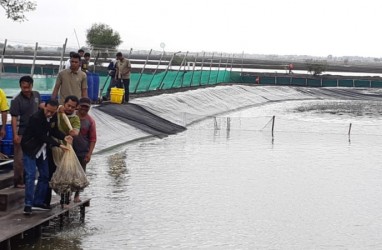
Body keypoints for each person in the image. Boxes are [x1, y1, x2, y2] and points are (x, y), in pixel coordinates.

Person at [21, 99, 71, 215]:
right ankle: (28, 204)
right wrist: (59, 144)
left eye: (52, 112)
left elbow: (53, 130)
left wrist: (64, 137)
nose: (49, 114)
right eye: (48, 111)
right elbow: (42, 136)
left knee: (45, 175)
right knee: (31, 175)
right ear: (44, 107)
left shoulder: (53, 117)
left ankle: (38, 202)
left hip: (42, 149)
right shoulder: (36, 118)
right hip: (31, 148)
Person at [45, 95, 80, 207]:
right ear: (64, 104)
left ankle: (65, 200)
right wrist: (59, 110)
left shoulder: (75, 119)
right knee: (50, 174)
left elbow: (75, 131)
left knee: (66, 175)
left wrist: (73, 132)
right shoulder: (56, 113)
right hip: (53, 148)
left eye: (73, 107)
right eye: (68, 105)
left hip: (66, 151)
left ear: (76, 108)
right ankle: (46, 201)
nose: (70, 108)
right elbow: (44, 108)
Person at [10, 75, 41, 188]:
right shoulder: (16, 99)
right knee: (19, 158)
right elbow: (14, 118)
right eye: (24, 88)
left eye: (28, 87)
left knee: (32, 157)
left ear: (32, 86)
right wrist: (15, 135)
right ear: (20, 87)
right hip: (21, 131)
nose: (26, 90)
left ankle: (29, 178)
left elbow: (39, 110)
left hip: (34, 133)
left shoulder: (37, 95)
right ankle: (18, 181)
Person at [73, 97, 96, 202]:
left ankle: (76, 195)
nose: (84, 109)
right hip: (70, 150)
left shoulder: (90, 121)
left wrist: (89, 154)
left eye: (86, 107)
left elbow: (93, 139)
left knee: (81, 174)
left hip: (83, 152)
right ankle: (66, 195)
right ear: (78, 106)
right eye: (82, 106)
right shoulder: (72, 116)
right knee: (68, 172)